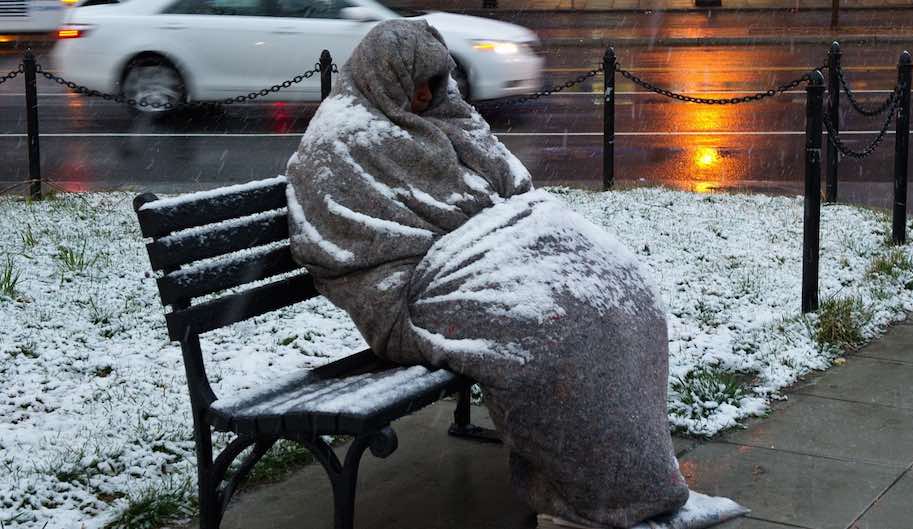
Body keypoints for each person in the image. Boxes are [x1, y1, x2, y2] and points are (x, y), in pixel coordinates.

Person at [286, 19, 744, 529]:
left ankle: (627, 479)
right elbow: (358, 248)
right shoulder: (340, 144)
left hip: (479, 254)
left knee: (620, 291)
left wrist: (490, 219)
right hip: (411, 294)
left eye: (435, 81)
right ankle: (588, 495)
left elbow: (511, 188)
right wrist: (471, 236)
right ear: (381, 77)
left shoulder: (446, 117)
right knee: (551, 329)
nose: (425, 93)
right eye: (415, 81)